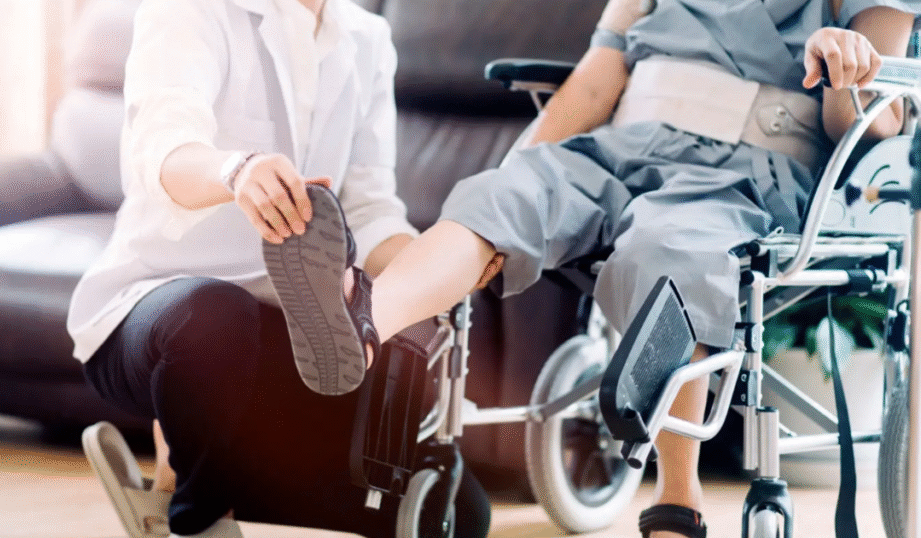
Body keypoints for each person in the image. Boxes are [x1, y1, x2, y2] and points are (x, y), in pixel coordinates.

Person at [263, 0, 920, 536]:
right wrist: (516, 177)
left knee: (671, 250)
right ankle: (361, 323)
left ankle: (677, 496)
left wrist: (848, 65)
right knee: (500, 197)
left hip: (741, 172)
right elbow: (597, 81)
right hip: (618, 145)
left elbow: (870, 120)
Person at [66, 0, 491, 537]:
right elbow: (162, 150)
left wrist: (440, 265)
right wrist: (235, 171)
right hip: (161, 314)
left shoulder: (367, 38)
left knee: (455, 515)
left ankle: (180, 475)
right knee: (215, 319)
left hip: (291, 337)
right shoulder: (193, 10)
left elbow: (369, 209)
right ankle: (200, 518)